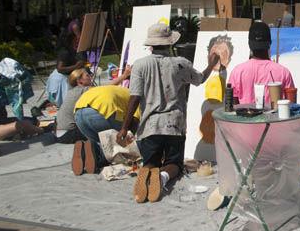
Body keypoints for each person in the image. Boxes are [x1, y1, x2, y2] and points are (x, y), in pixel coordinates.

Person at [117, 24, 220, 203]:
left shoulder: (139, 66)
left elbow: (134, 97)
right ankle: (163, 177)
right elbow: (200, 79)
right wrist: (211, 63)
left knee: (151, 162)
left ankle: (148, 170)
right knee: (174, 165)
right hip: (174, 124)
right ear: (170, 43)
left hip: (149, 126)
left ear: (151, 45)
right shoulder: (180, 63)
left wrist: (124, 128)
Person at [71, 84, 139, 175]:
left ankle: (89, 151)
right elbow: (135, 120)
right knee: (117, 141)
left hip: (79, 111)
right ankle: (100, 158)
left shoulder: (122, 90)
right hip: (103, 107)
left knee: (99, 142)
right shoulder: (139, 99)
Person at [56, 66, 131, 144]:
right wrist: (124, 75)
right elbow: (106, 88)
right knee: (105, 127)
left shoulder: (72, 91)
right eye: (87, 75)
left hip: (61, 133)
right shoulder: (82, 90)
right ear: (79, 81)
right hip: (69, 133)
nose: (90, 77)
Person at [228, 21, 295, 105]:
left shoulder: (237, 72)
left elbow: (232, 108)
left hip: (245, 117)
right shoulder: (283, 72)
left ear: (249, 44)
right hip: (275, 117)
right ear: (270, 43)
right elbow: (292, 106)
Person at [0, 85, 45, 159]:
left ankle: (16, 134)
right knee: (21, 125)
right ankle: (43, 130)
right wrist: (3, 95)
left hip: (1, 121)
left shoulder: (0, 88)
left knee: (32, 121)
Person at [46, 28, 86, 107]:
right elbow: (60, 69)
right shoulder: (65, 52)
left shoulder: (72, 50)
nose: (77, 41)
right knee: (65, 103)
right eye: (76, 39)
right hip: (60, 79)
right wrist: (76, 66)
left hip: (66, 77)